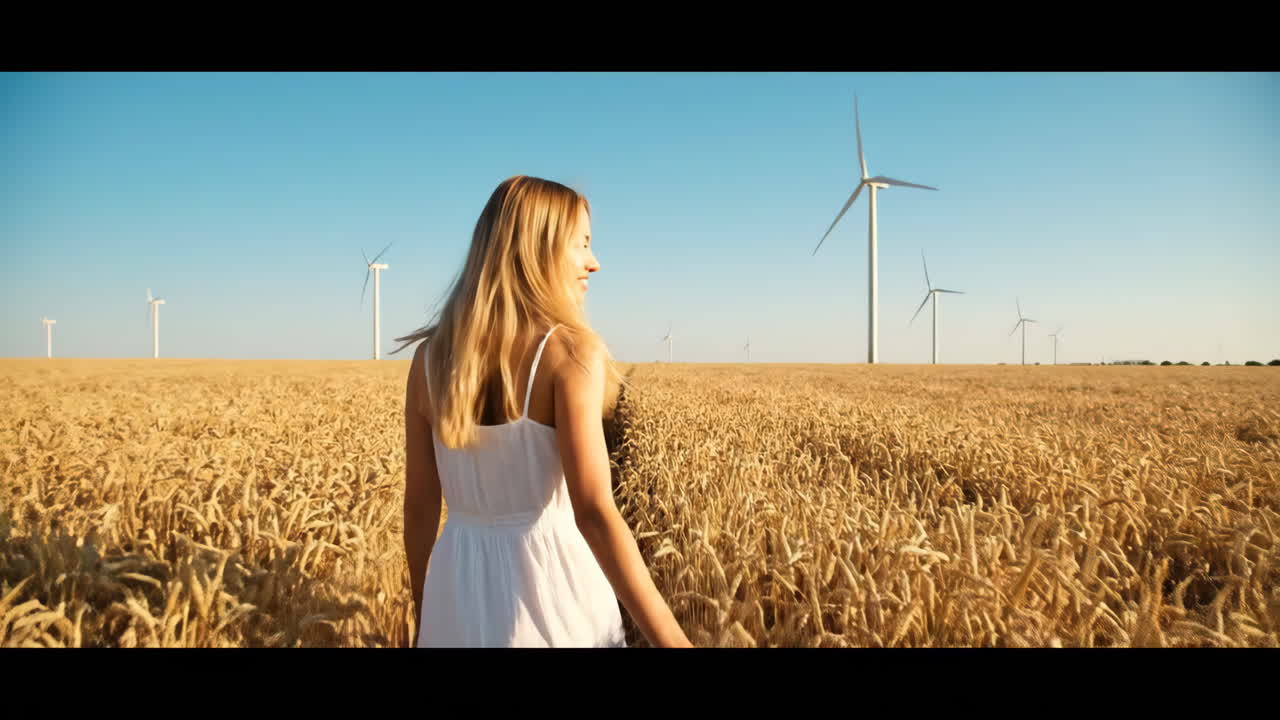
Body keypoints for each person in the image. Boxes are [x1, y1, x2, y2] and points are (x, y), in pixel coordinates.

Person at [396, 175, 693, 648]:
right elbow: (594, 511)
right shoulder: (570, 352)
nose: (594, 263)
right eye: (583, 244)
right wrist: (672, 641)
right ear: (540, 249)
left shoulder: (429, 359)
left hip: (455, 589)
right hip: (550, 590)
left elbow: (420, 506)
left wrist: (425, 608)